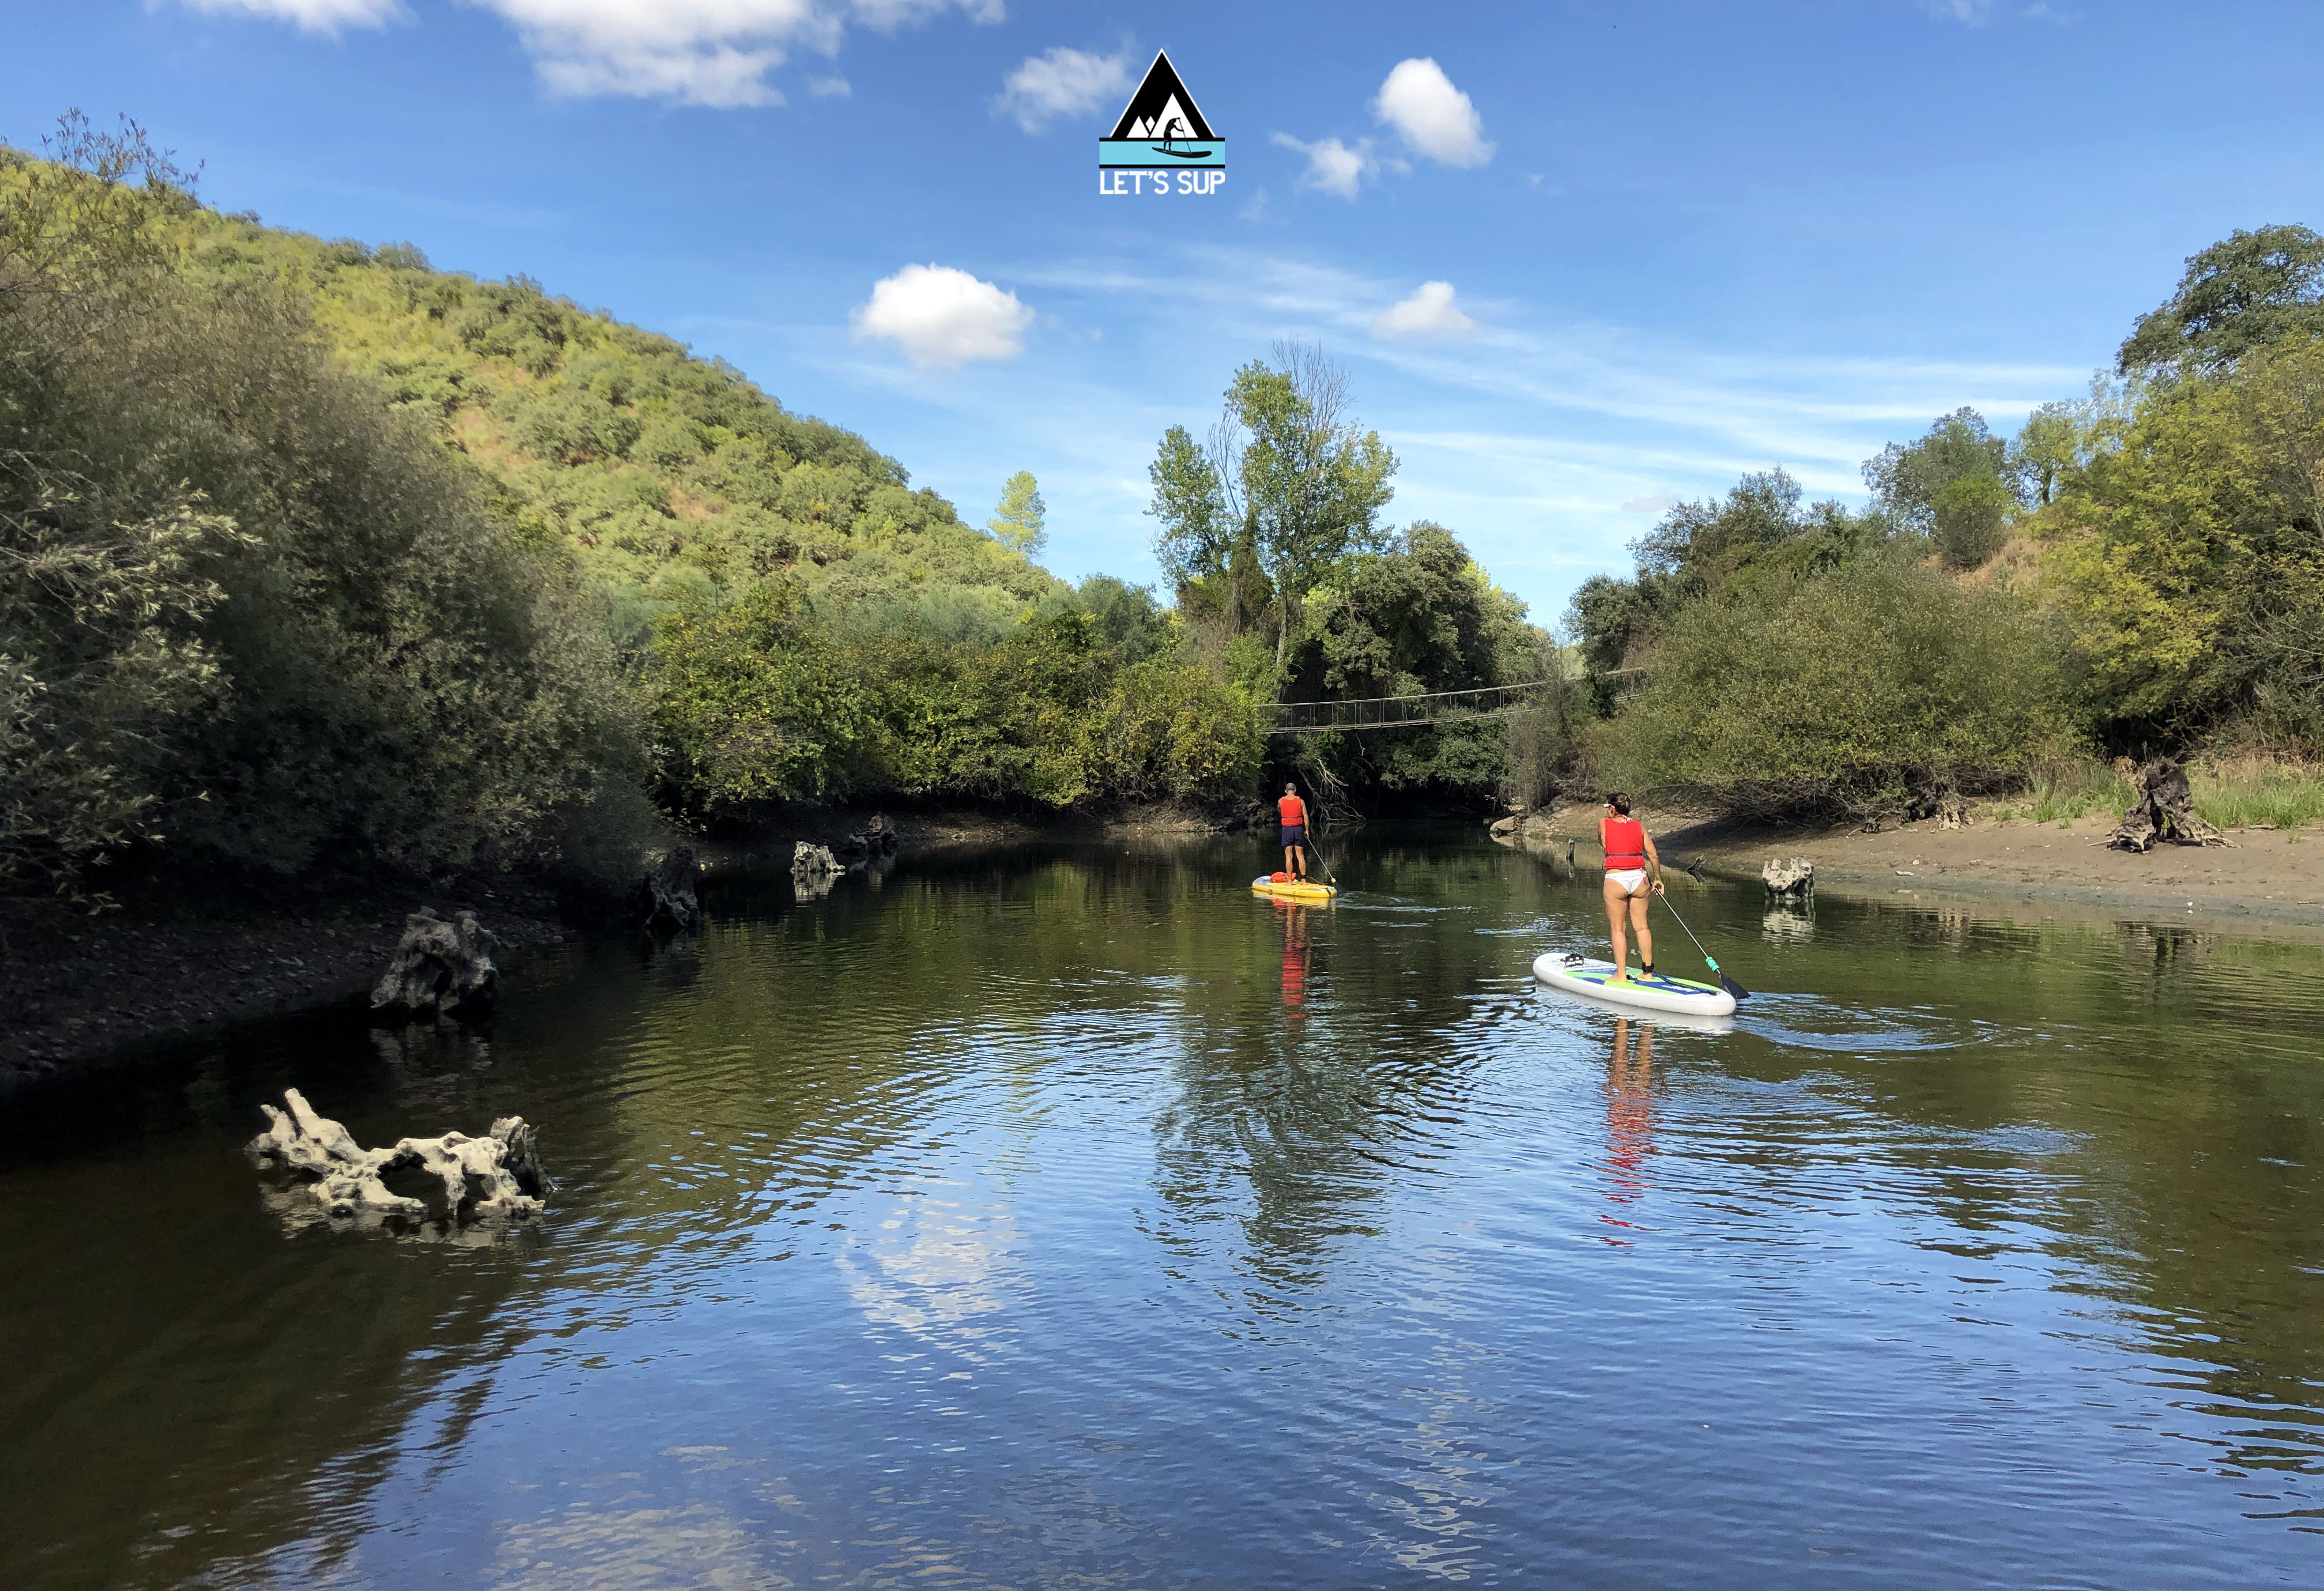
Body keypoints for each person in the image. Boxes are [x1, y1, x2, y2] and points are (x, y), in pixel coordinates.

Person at [1600, 791, 1665, 982]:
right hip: (1640, 880)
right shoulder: (1639, 826)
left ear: (1612, 809)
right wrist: (1658, 879)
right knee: (1642, 927)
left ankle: (1621, 975)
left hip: (1616, 880)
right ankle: (1648, 973)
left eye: (1608, 808)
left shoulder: (1604, 823)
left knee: (1618, 929)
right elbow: (1653, 855)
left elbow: (1604, 845)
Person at [1277, 782, 1311, 880]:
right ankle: (1304, 880)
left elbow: (1280, 811)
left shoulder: (1281, 801)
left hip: (1287, 829)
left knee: (1289, 857)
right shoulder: (1301, 801)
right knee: (1301, 856)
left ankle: (1289, 881)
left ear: (1286, 791)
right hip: (1299, 829)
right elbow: (1306, 817)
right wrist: (1307, 830)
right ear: (1295, 790)